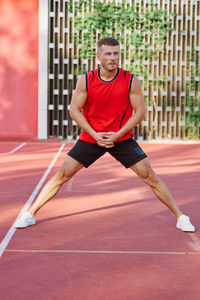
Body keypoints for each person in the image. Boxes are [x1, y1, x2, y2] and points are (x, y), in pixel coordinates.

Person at [15, 37, 195, 232]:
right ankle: (30, 214)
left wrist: (118, 134)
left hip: (121, 137)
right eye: (108, 54)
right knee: (63, 175)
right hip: (92, 138)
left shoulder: (129, 80)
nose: (113, 58)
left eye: (116, 53)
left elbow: (140, 113)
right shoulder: (86, 80)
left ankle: (181, 216)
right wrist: (95, 134)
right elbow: (74, 110)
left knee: (149, 175)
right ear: (98, 56)